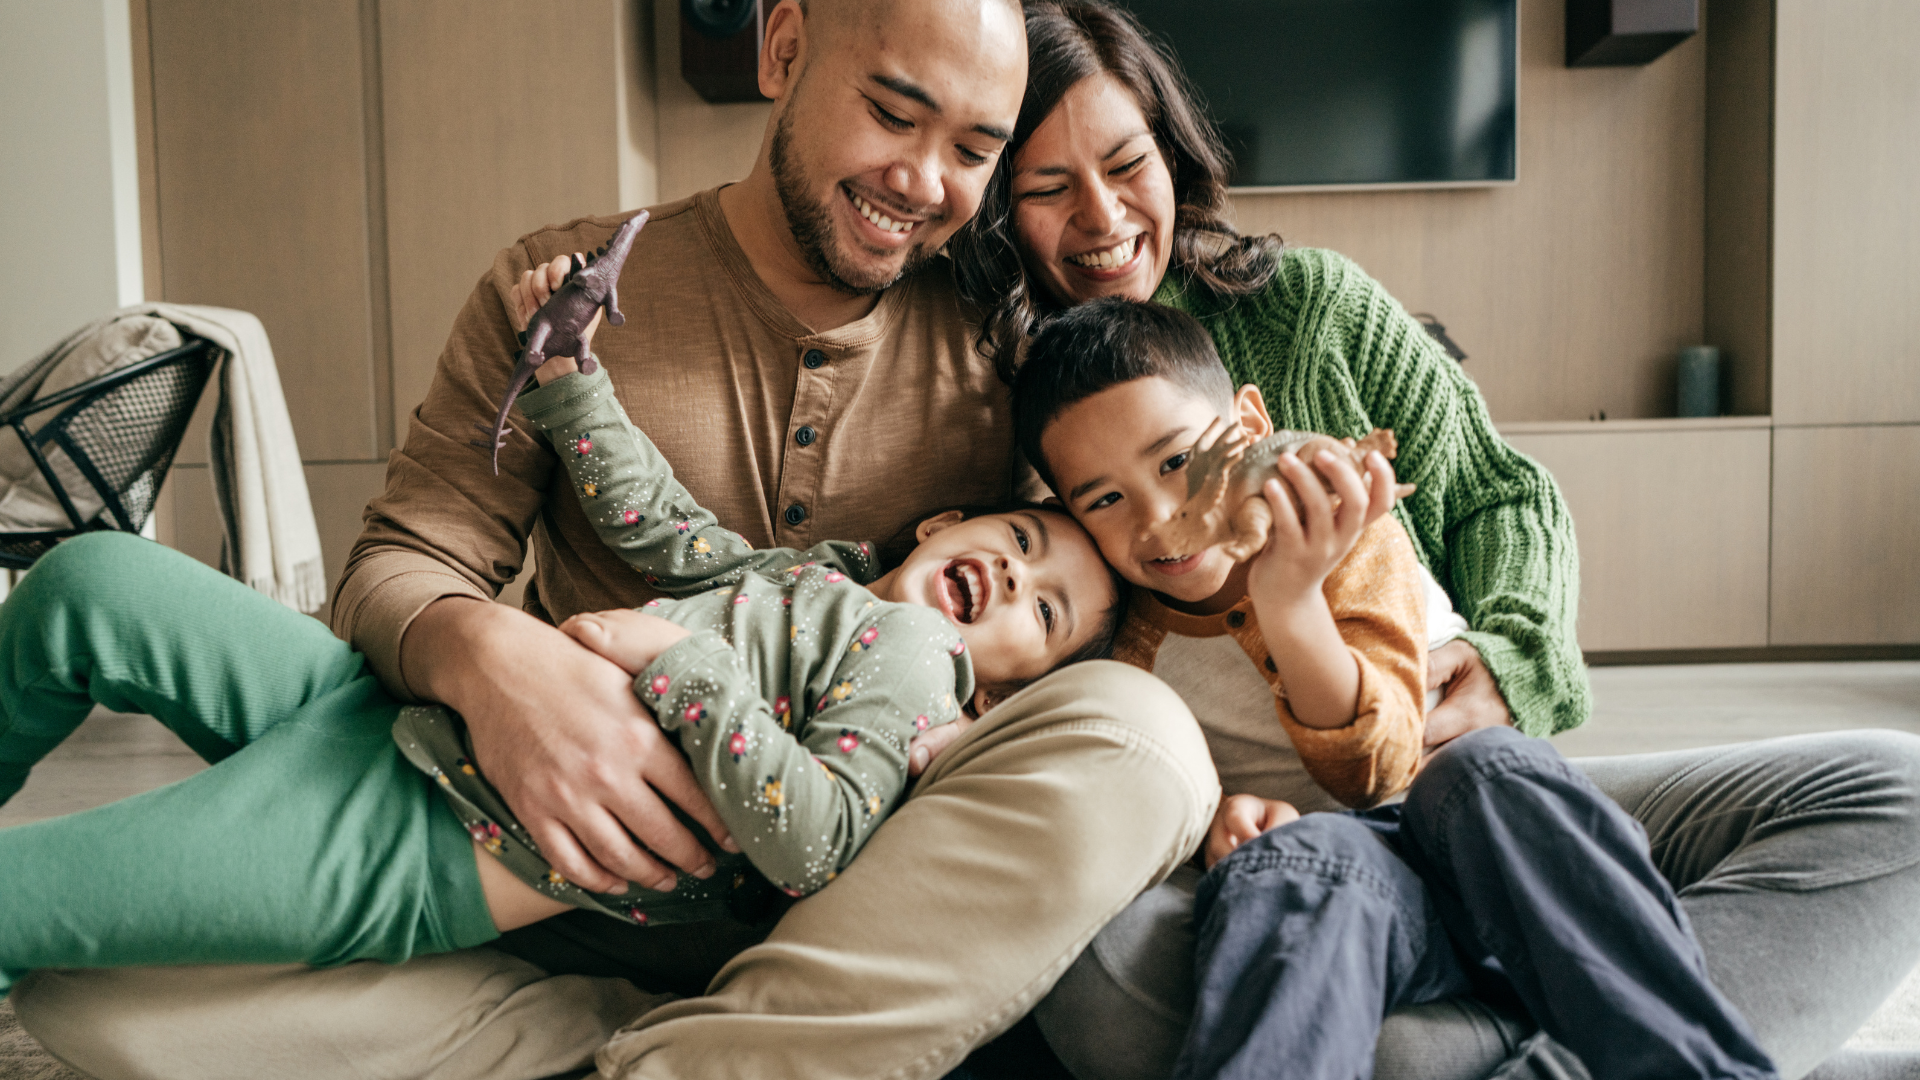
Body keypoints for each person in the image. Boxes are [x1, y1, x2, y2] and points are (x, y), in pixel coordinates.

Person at [7, 2, 1218, 1078]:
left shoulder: (1009, 357)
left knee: (96, 981)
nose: (924, 181)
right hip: (483, 773)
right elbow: (420, 556)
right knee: (90, 619)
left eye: (975, 151)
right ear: (783, 48)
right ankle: (555, 1024)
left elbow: (1111, 594)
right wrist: (493, 662)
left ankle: (670, 1045)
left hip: (683, 908)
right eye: (894, 114)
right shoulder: (566, 289)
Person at [945, 4, 1920, 1078]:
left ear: (1172, 154)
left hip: (1467, 786)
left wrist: (1509, 660)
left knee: (1896, 796)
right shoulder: (984, 391)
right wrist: (1204, 811)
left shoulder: (1310, 309)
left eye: (1128, 164)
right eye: (1047, 188)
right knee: (1174, 956)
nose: (1102, 215)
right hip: (1280, 846)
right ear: (994, 207)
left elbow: (1504, 498)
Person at [0, 328, 1124, 990]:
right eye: (1023, 542)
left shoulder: (918, 666)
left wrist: (679, 666)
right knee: (88, 584)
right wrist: (573, 387)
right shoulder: (810, 581)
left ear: (1006, 688)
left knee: (24, 896)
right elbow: (661, 526)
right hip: (402, 707)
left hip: (443, 830)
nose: (1015, 579)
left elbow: (814, 844)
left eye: (1048, 614)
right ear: (945, 524)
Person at [1011, 297, 1779, 1080]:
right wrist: (1217, 821)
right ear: (1065, 512)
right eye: (1104, 499)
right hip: (1357, 887)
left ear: (1250, 424)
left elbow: (1378, 766)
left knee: (1486, 768)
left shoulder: (1347, 539)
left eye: (1177, 461)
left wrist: (1290, 602)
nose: (1157, 515)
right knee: (1291, 863)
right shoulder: (1125, 644)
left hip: (1489, 846)